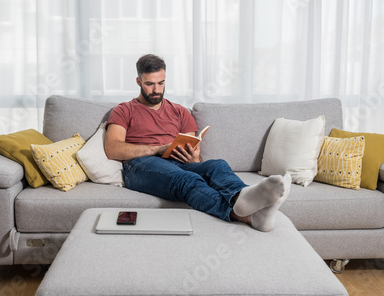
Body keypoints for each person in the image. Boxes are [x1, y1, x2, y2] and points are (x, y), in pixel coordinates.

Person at [104, 54, 291, 232]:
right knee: (187, 180)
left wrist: (194, 159)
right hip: (140, 166)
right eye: (150, 84)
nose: (156, 90)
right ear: (139, 82)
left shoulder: (180, 112)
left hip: (177, 163)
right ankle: (244, 215)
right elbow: (112, 149)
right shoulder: (124, 110)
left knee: (217, 166)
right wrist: (159, 148)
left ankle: (242, 197)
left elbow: (196, 154)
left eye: (161, 83)